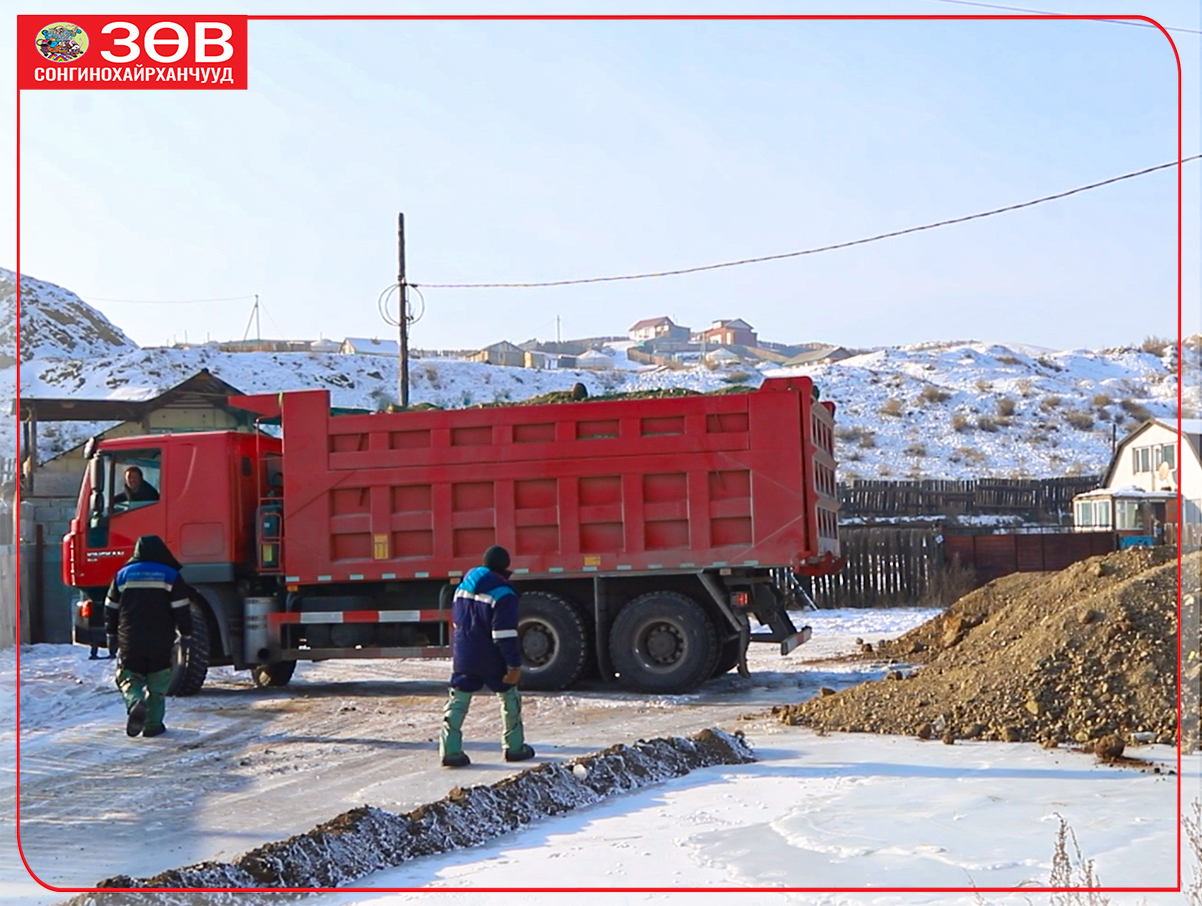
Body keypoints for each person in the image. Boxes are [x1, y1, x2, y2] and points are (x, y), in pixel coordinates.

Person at [440, 545, 535, 768]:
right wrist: (513, 665)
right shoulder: (504, 593)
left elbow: (457, 623)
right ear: (505, 567)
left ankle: (450, 751)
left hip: (464, 654)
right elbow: (504, 635)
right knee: (509, 697)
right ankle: (514, 748)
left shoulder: (462, 588)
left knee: (458, 700)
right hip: (491, 657)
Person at [104, 535, 194, 738]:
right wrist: (186, 634)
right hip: (161, 640)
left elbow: (110, 608)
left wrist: (111, 634)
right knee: (158, 681)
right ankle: (153, 725)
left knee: (128, 677)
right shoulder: (170, 575)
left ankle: (135, 701)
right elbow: (182, 609)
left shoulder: (123, 574)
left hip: (130, 639)